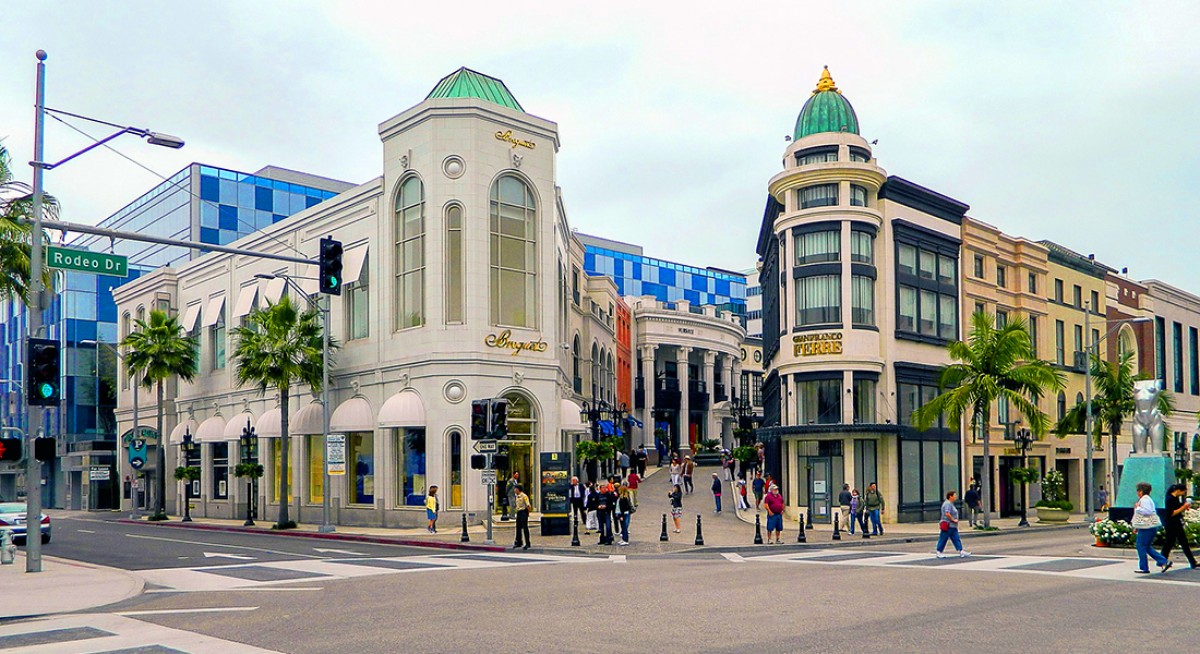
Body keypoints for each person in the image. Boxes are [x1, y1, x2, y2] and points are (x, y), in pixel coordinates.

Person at [1132, 481, 1171, 574]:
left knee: (1140, 546)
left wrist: (1137, 508)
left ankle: (1144, 567)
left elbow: (1147, 512)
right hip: (1150, 526)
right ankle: (1163, 561)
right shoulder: (1148, 499)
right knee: (1147, 547)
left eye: (1138, 491)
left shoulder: (1144, 500)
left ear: (1141, 491)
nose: (1137, 493)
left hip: (1146, 527)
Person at [1160, 483, 1197, 569]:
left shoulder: (1175, 498)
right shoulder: (1169, 499)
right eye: (1183, 492)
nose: (1183, 494)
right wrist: (1183, 507)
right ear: (1178, 490)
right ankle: (1161, 560)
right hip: (1171, 524)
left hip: (1176, 523)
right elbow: (1171, 513)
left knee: (1179, 542)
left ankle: (1192, 561)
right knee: (1170, 543)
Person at [935, 490, 970, 558]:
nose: (955, 497)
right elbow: (947, 513)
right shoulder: (947, 504)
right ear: (950, 496)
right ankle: (938, 551)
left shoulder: (951, 503)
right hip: (948, 525)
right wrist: (953, 520)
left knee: (956, 538)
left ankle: (961, 551)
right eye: (954, 495)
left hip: (953, 526)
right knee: (943, 538)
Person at [596, 480, 616, 545]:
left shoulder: (609, 495)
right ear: (600, 489)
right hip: (600, 512)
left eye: (605, 488)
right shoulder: (598, 495)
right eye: (603, 488)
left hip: (606, 512)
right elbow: (594, 503)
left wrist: (606, 507)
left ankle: (609, 539)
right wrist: (598, 506)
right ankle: (602, 539)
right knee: (601, 527)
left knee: (608, 526)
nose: (604, 489)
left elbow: (612, 504)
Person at [512, 484, 531, 550]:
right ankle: (519, 542)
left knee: (525, 528)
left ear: (518, 489)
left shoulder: (524, 496)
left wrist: (527, 514)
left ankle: (528, 543)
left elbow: (528, 506)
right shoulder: (517, 496)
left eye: (515, 489)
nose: (514, 490)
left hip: (523, 512)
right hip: (519, 512)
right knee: (518, 528)